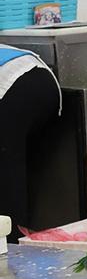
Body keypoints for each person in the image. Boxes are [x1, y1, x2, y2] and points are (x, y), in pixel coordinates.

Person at [0, 44, 59, 241]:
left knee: (7, 173)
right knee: (13, 166)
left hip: (11, 86)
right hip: (42, 79)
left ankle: (11, 245)